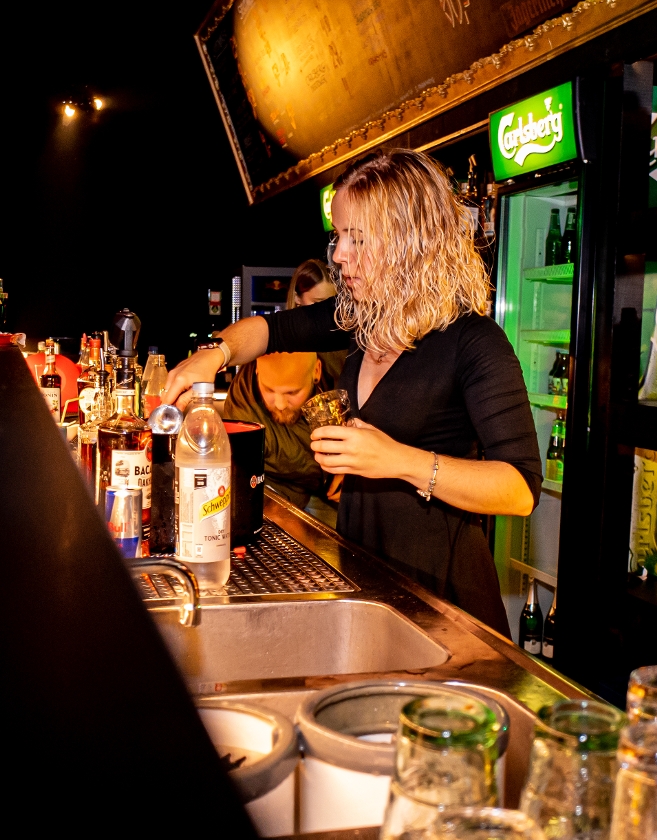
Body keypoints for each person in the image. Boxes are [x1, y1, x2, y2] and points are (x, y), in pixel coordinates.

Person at [163, 150, 538, 627]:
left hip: (441, 594)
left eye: (356, 238)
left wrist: (399, 460)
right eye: (338, 237)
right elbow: (269, 331)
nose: (339, 255)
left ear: (409, 240)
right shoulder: (360, 318)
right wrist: (214, 354)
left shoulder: (474, 341)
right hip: (367, 576)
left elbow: (518, 488)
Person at [218, 349, 339, 526]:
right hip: (281, 487)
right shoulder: (243, 412)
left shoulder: (346, 364)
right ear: (257, 370)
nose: (280, 404)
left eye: (292, 393)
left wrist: (351, 469)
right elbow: (246, 482)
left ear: (317, 370)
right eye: (269, 390)